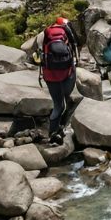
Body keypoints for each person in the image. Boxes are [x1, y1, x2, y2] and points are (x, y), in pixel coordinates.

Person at [40, 16, 79, 144]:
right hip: (66, 72)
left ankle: (52, 134)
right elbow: (74, 52)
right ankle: (62, 129)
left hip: (50, 74)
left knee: (58, 105)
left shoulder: (47, 32)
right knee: (68, 102)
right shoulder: (67, 31)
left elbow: (41, 55)